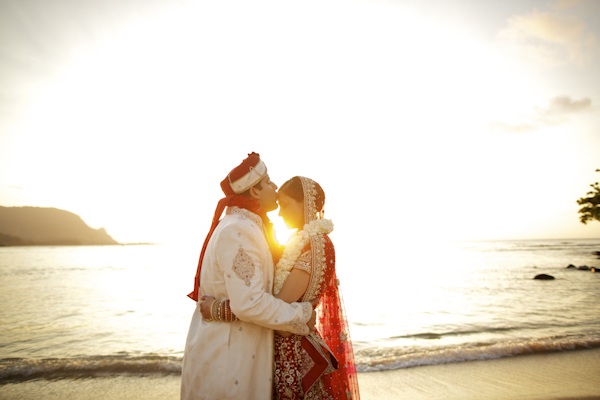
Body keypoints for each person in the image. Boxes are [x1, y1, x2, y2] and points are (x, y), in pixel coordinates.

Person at [201, 176, 361, 399]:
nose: (280, 212)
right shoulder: (300, 241)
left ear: (306, 205)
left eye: (285, 205)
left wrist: (220, 309)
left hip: (293, 350)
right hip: (282, 341)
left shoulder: (316, 244)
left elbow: (279, 303)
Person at [181, 153, 317, 400]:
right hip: (228, 358)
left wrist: (221, 309)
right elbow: (250, 303)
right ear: (254, 192)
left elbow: (251, 298)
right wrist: (302, 315)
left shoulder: (250, 227)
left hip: (240, 351)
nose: (275, 187)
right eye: (268, 182)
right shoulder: (238, 230)